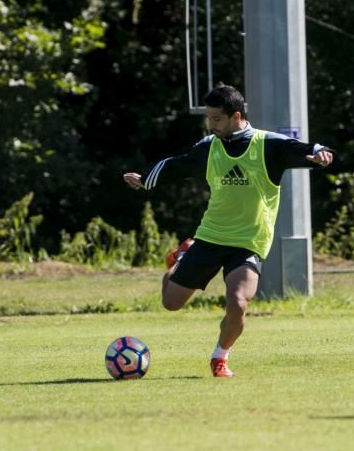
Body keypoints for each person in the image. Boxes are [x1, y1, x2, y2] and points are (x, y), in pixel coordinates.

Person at [123, 85, 334, 378]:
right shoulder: (209, 147)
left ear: (236, 116)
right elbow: (179, 165)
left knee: (237, 302)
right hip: (210, 237)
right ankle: (183, 257)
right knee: (170, 304)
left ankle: (220, 357)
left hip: (248, 242)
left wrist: (319, 152)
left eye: (216, 119)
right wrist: (146, 179)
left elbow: (299, 147)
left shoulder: (266, 145)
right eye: (208, 118)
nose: (211, 124)